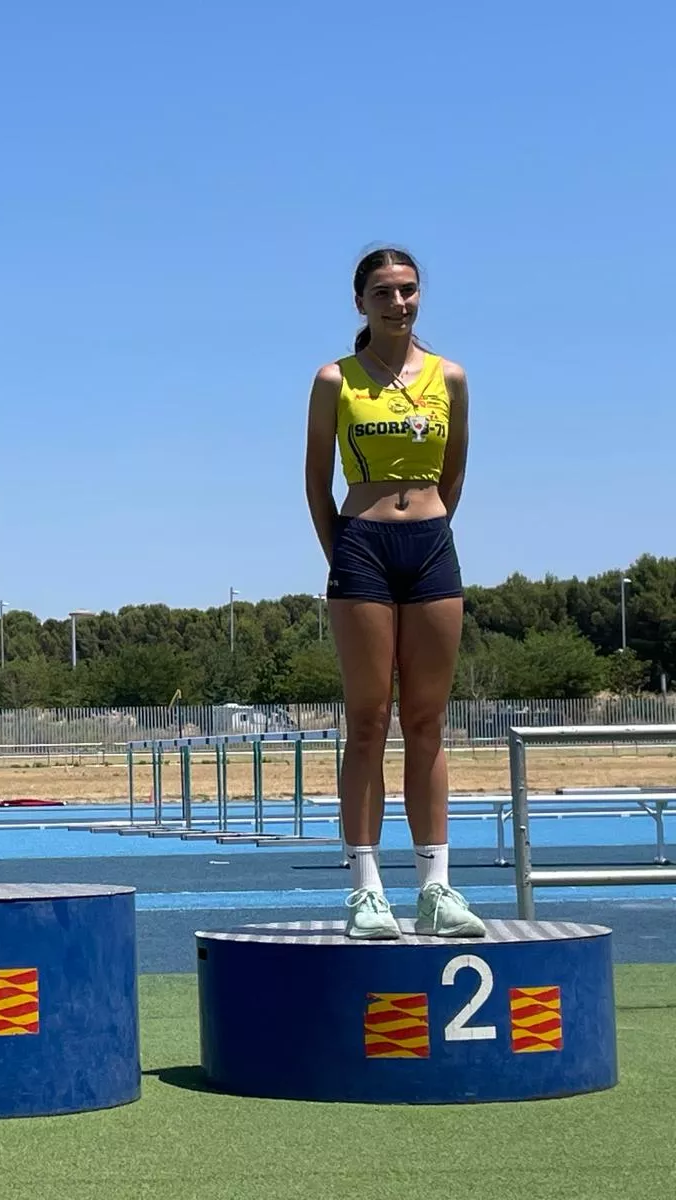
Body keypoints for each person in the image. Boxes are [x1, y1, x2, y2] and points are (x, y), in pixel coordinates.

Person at [305, 247, 485, 940]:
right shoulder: (335, 379)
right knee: (368, 722)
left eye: (408, 290)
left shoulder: (451, 377)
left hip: (431, 547)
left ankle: (436, 888)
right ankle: (366, 890)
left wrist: (429, 525)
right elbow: (316, 481)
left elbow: (454, 472)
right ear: (361, 302)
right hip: (362, 548)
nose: (398, 303)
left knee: (428, 722)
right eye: (383, 292)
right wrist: (346, 554)